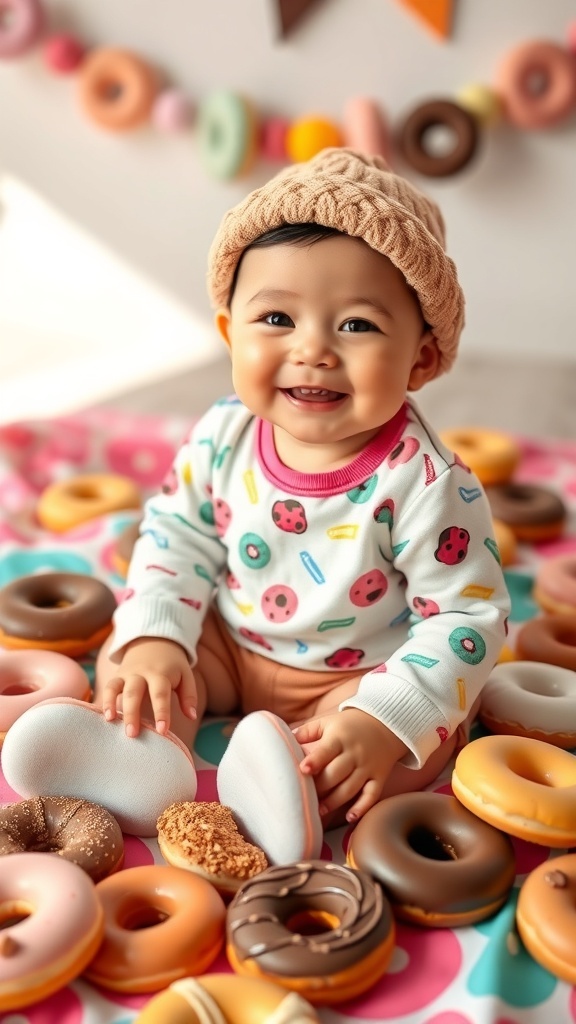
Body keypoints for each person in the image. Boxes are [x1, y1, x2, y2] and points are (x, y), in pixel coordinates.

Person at [96, 147, 509, 828]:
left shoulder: (427, 482)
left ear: (422, 358)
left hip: (359, 674)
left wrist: (383, 715)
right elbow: (177, 532)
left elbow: (467, 619)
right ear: (230, 333)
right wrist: (159, 635)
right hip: (229, 645)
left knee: (401, 751)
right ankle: (126, 756)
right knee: (138, 669)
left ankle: (294, 794)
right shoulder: (223, 433)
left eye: (357, 325)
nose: (312, 349)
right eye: (277, 319)